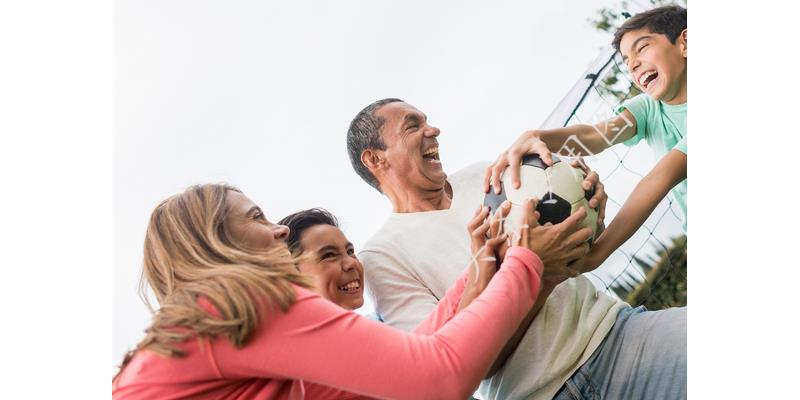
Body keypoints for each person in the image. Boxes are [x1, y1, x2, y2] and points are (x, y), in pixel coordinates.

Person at [347, 98, 687, 399]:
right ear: (375, 159)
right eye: (413, 126)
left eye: (427, 120)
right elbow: (457, 361)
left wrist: (586, 207)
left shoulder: (487, 174)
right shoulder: (381, 258)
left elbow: (577, 249)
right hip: (540, 392)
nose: (433, 130)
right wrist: (544, 274)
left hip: (617, 333)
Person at [112, 183, 577, 399]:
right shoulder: (243, 304)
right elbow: (440, 378)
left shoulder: (209, 330)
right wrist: (527, 262)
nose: (278, 231)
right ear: (216, 240)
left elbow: (412, 359)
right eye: (256, 218)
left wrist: (484, 264)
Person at [486, 5, 688, 273]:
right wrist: (537, 137)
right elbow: (595, 137)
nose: (633, 64)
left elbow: (661, 178)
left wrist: (598, 254)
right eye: (626, 61)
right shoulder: (649, 109)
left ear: (685, 43)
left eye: (642, 48)